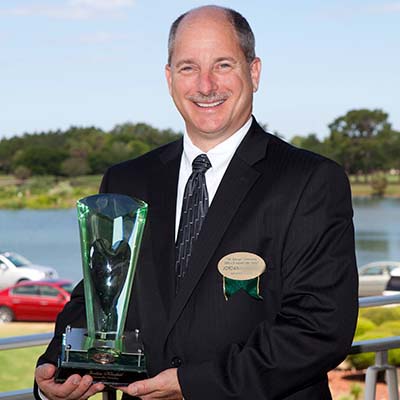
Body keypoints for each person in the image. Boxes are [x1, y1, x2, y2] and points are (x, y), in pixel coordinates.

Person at [34, 5, 358, 400]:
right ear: (169, 78)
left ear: (254, 72)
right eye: (188, 68)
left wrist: (194, 385)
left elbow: (320, 328)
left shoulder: (310, 181)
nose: (206, 85)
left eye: (222, 65)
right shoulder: (127, 179)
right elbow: (101, 289)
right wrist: (57, 364)